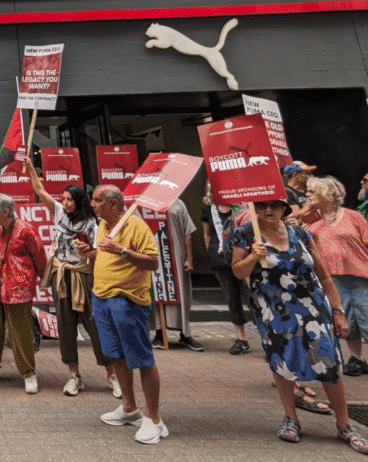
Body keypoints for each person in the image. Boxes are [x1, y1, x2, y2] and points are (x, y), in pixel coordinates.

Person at [231, 199, 368, 454]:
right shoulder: (245, 234)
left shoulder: (300, 233)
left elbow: (323, 275)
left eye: (275, 206)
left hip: (312, 306)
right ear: (254, 209)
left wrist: (337, 312)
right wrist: (254, 256)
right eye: (263, 206)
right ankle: (291, 418)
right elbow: (238, 272)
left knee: (328, 360)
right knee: (282, 361)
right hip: (273, 310)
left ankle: (344, 425)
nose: (269, 210)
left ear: (284, 209)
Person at [81, 185, 165, 444]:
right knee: (115, 354)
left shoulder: (136, 226)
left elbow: (152, 262)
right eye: (93, 200)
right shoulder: (104, 226)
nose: (93, 204)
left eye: (97, 200)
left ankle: (153, 418)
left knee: (141, 357)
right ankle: (129, 407)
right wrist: (92, 253)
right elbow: (105, 259)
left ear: (115, 203)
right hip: (103, 299)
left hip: (127, 300)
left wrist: (122, 250)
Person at [27, 164, 120, 397]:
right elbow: (40, 190)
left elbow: (102, 254)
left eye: (69, 199)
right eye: (64, 199)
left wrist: (90, 252)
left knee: (96, 327)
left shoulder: (94, 225)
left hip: (86, 278)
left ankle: (112, 376)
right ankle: (74, 376)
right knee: (66, 328)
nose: (65, 202)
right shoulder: (59, 213)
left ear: (79, 200)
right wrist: (29, 166)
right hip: (62, 278)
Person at [298, 176, 368, 377]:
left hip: (365, 277)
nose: (308, 195)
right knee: (346, 322)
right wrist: (302, 229)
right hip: (333, 278)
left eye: (312, 192)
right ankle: (357, 359)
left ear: (326, 195)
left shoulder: (353, 216)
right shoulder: (308, 219)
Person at [0, 192, 46, 395]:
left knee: (21, 331)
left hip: (18, 288)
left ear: (5, 212)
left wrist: (41, 279)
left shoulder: (27, 231)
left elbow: (40, 257)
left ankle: (28, 373)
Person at [199, 186, 250, 356]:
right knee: (231, 296)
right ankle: (241, 338)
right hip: (220, 257)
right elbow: (207, 234)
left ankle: (267, 337)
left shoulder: (242, 207)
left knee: (252, 296)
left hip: (243, 256)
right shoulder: (208, 209)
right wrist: (214, 251)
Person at [150, 198, 203, 352]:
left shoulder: (178, 203)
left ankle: (185, 334)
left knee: (182, 292)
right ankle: (160, 333)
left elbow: (188, 233)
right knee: (158, 291)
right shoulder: (146, 204)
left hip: (176, 254)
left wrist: (189, 258)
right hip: (155, 255)